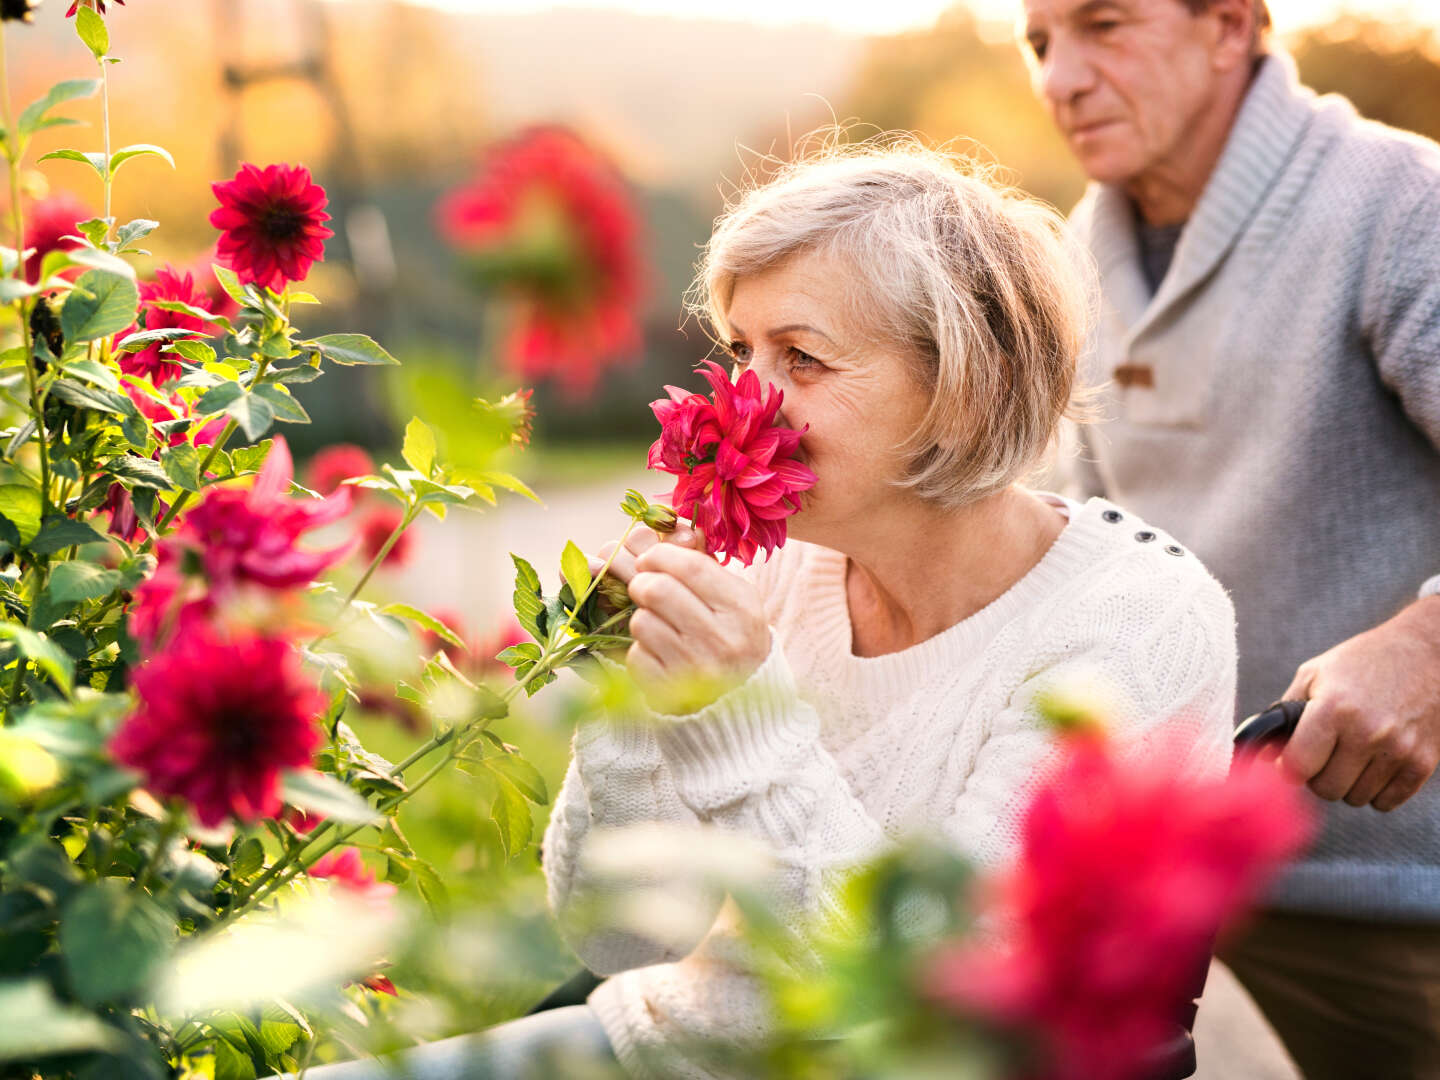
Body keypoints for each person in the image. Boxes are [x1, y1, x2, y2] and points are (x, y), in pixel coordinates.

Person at [301, 143, 1238, 1080]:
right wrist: (633, 701)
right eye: (741, 352)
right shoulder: (773, 567)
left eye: (803, 358)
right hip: (666, 1046)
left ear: (963, 389)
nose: (745, 400)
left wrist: (738, 717)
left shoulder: (1135, 627)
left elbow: (925, 1012)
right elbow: (617, 937)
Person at [1017, 0, 1440, 1075]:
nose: (1059, 77)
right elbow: (1093, 558)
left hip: (1406, 888)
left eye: (1103, 25)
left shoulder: (1400, 207)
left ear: (1230, 26)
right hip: (1196, 871)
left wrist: (1427, 643)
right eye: (1039, 43)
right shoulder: (1076, 254)